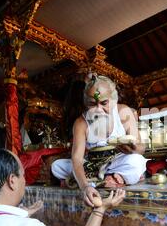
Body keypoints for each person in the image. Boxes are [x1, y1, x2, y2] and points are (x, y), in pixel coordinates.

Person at [52, 73, 147, 207]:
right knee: (57, 166)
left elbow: (141, 148)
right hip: (92, 165)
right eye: (92, 104)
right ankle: (107, 179)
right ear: (86, 103)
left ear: (113, 99)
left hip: (118, 161)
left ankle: (109, 177)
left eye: (104, 103)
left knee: (137, 161)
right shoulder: (81, 122)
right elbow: (77, 159)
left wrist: (134, 148)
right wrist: (85, 187)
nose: (98, 109)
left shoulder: (124, 111)